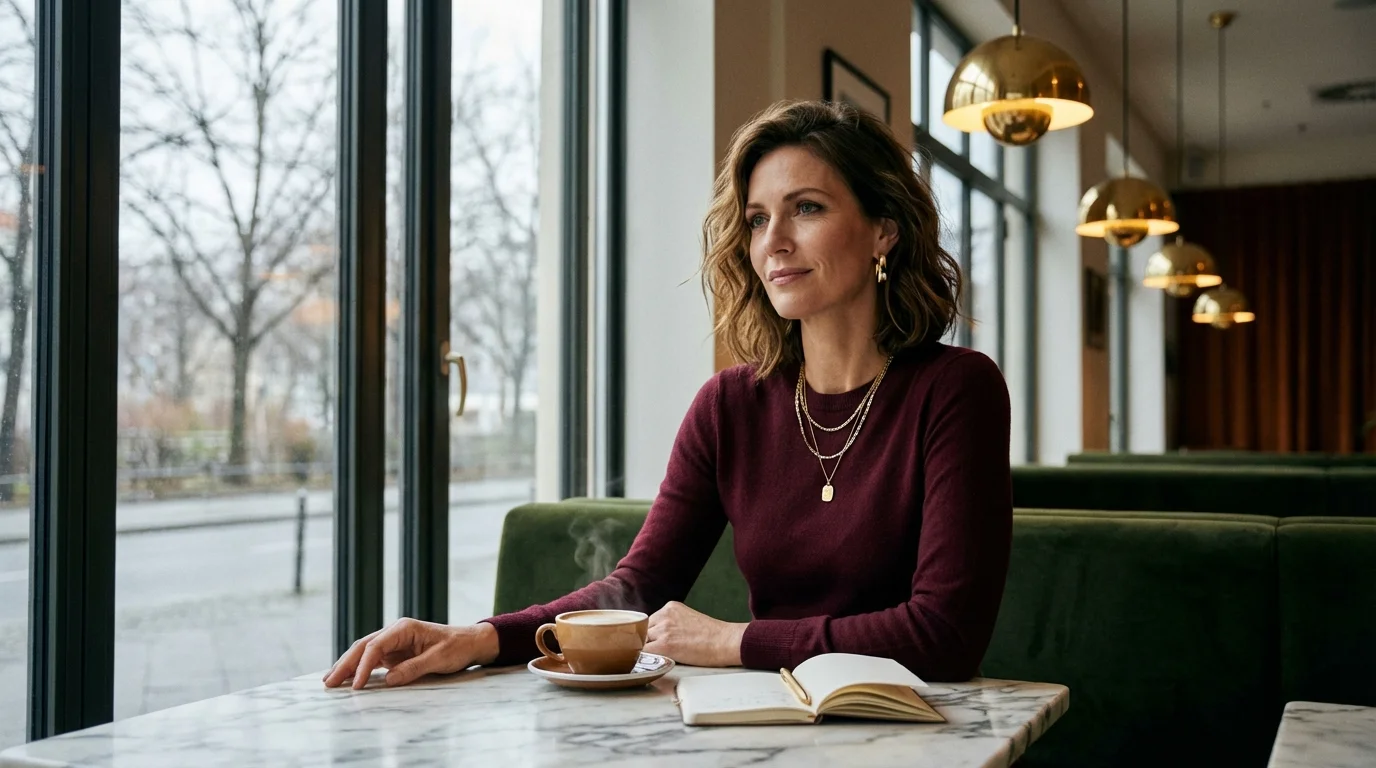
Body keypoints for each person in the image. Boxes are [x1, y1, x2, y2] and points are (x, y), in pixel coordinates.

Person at [324, 99, 1012, 691]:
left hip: (914, 725)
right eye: (756, 219)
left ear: (883, 230)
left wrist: (733, 641)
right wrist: (478, 637)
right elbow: (637, 587)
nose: (774, 242)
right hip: (768, 719)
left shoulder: (957, 390)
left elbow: (944, 634)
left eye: (806, 208)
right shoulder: (729, 406)